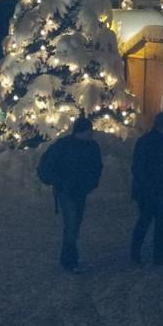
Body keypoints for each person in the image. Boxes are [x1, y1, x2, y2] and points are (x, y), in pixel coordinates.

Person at [37, 116, 103, 273]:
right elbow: (46, 165)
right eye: (88, 131)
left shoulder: (90, 147)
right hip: (66, 191)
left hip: (79, 191)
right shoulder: (64, 145)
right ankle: (70, 260)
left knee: (74, 224)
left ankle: (67, 257)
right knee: (72, 224)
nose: (90, 133)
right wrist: (57, 181)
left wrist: (91, 183)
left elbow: (96, 167)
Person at [130, 111, 163, 266]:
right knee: (159, 223)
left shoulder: (144, 141)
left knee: (146, 221)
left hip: (148, 190)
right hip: (157, 190)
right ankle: (157, 255)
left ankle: (137, 253)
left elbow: (138, 168)